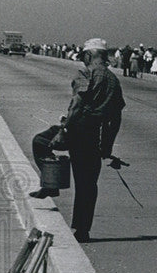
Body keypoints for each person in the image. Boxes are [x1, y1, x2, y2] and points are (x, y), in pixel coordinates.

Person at [50, 39, 125, 243]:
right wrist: (107, 146)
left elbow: (76, 105)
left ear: (89, 56)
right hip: (95, 135)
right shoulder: (112, 79)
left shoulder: (86, 73)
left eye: (84, 57)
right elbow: (115, 118)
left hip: (78, 129)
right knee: (89, 184)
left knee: (41, 142)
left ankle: (50, 185)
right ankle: (83, 229)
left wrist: (64, 131)